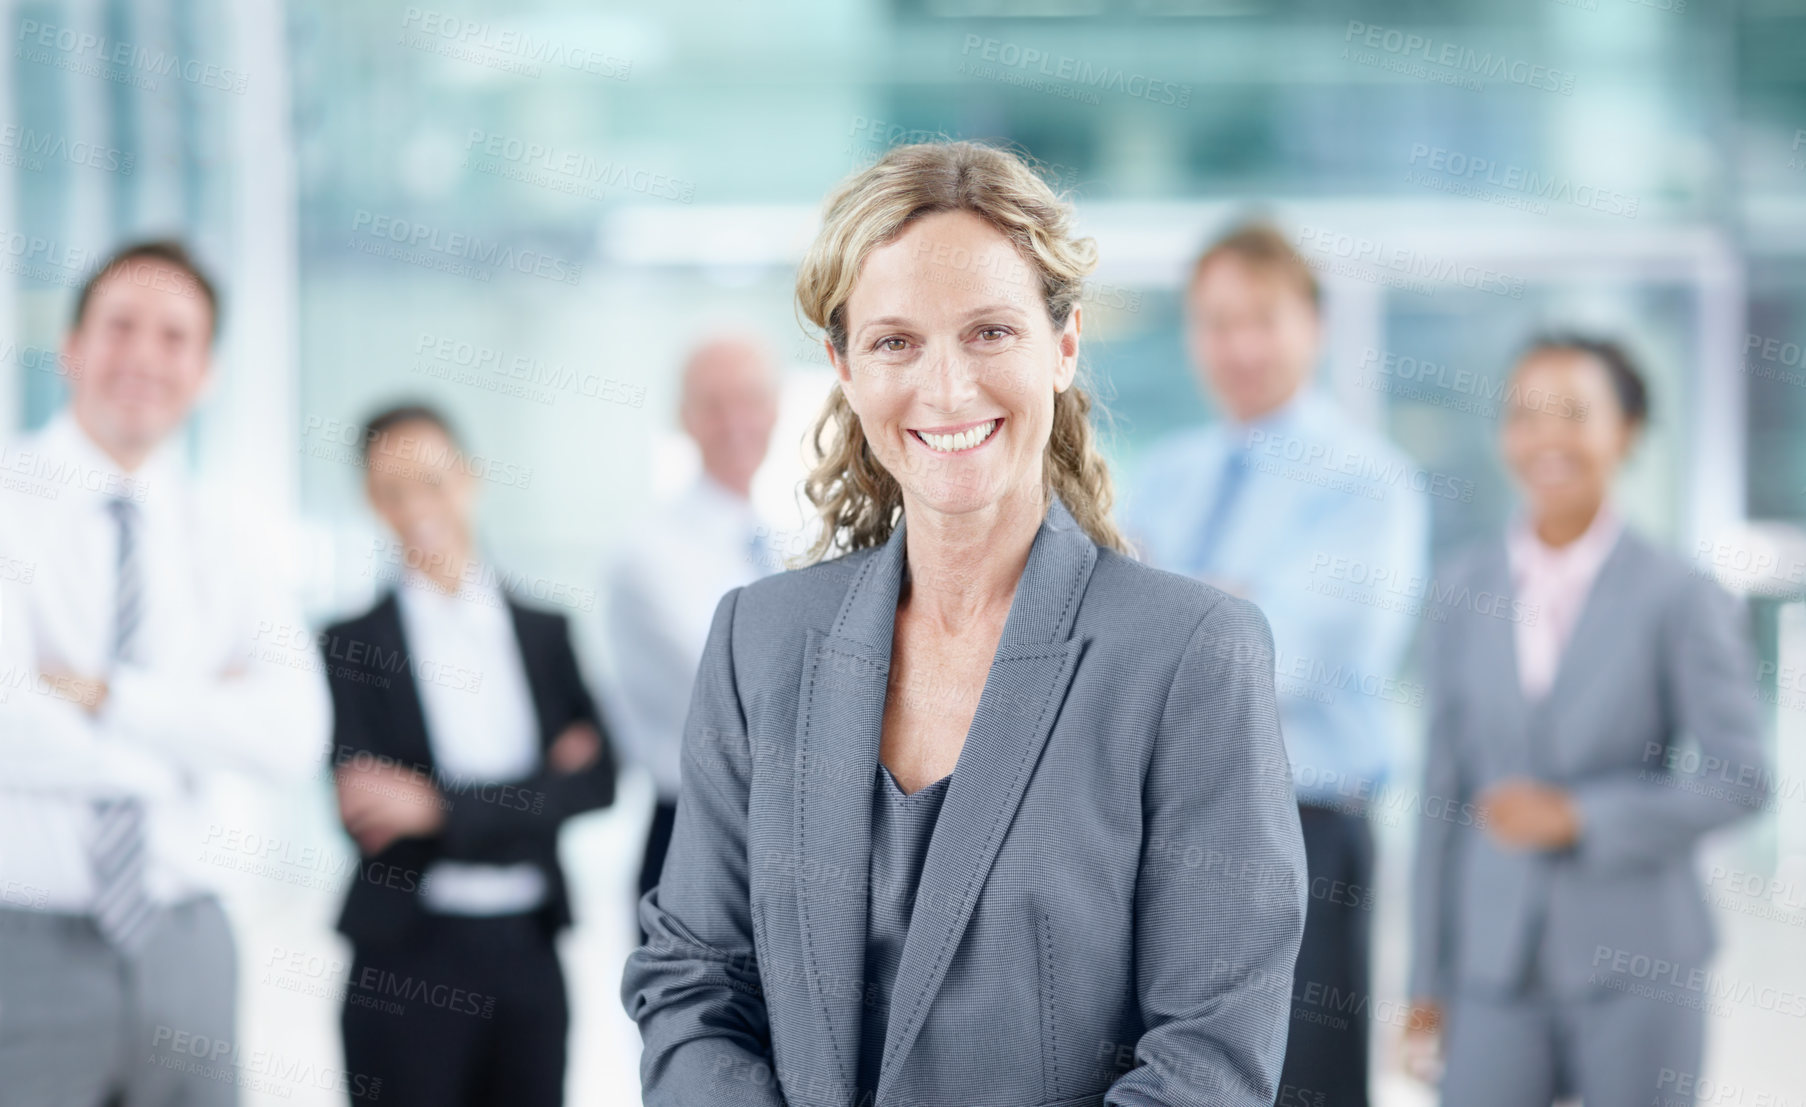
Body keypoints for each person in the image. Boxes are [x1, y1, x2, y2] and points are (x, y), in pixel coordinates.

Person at [621, 140, 1307, 1107]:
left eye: (989, 332)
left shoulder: (1193, 656)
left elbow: (1207, 1053)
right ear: (845, 369)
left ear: (1062, 348)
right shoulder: (757, 644)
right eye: (896, 341)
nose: (946, 389)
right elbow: (692, 983)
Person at [0, 241, 328, 1105]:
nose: (145, 357)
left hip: (189, 940)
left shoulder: (230, 533)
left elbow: (294, 734)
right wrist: (188, 739)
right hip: (23, 941)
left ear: (207, 371)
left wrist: (108, 695)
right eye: (120, 327)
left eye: (175, 337)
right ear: (70, 348)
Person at [1405, 337, 1768, 1105]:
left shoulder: (1679, 593)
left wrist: (1580, 815)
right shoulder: (1461, 588)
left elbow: (1742, 779)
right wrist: (1425, 976)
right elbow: (1440, 788)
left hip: (1639, 962)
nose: (1546, 438)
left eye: (1574, 413)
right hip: (1492, 965)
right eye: (1524, 415)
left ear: (1626, 430)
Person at [1121, 223, 1429, 1106]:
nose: (1240, 345)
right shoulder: (1166, 474)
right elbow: (1119, 639)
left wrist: (1174, 609)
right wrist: (1230, 600)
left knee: (1303, 1085)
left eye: (1263, 317)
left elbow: (1283, 661)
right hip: (1162, 829)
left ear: (1315, 325)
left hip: (1306, 828)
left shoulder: (1369, 483)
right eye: (1217, 322)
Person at [325, 404, 617, 1107]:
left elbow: (600, 780)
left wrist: (437, 808)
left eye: (433, 481)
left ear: (471, 478)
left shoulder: (546, 632)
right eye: (392, 491)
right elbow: (363, 810)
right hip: (404, 955)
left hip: (529, 950)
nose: (417, 507)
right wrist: (534, 792)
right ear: (372, 501)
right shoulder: (350, 644)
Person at [600, 335, 780, 941]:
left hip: (790, 838)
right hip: (694, 839)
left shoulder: (788, 539)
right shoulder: (648, 554)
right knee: (697, 1032)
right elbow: (743, 692)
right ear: (682, 419)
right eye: (713, 404)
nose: (736, 422)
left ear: (777, 407)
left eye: (751, 399)